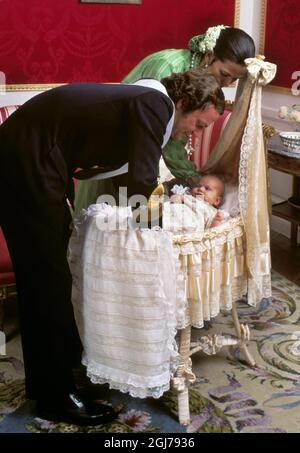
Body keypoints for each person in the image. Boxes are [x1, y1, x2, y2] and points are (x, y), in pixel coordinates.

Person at [0, 70, 224, 425]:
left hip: (37, 158)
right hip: (26, 161)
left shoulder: (142, 101)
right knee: (47, 282)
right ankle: (54, 397)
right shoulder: (155, 104)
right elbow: (142, 179)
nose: (194, 134)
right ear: (183, 104)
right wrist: (155, 239)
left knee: (53, 277)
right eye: (198, 124)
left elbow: (124, 173)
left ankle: (57, 380)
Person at [74, 25, 255, 215]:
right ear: (210, 55)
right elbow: (154, 131)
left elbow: (176, 135)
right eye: (225, 74)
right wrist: (189, 177)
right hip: (122, 141)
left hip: (143, 147)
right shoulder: (167, 67)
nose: (226, 84)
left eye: (233, 80)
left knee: (132, 213)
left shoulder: (202, 84)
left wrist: (192, 179)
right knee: (111, 214)